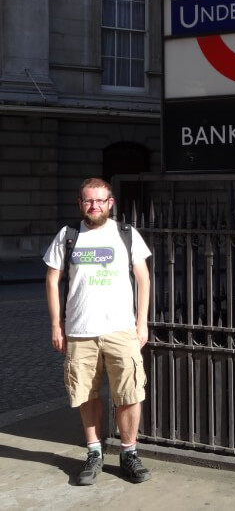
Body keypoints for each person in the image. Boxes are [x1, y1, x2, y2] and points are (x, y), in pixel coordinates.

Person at [43, 177, 152, 486]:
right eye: (89, 201)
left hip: (121, 329)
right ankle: (94, 452)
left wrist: (141, 323)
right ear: (80, 204)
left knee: (129, 394)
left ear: (110, 203)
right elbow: (53, 280)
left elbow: (142, 278)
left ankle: (129, 453)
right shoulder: (68, 235)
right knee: (86, 394)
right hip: (80, 331)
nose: (94, 206)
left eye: (100, 200)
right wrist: (56, 324)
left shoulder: (126, 234)